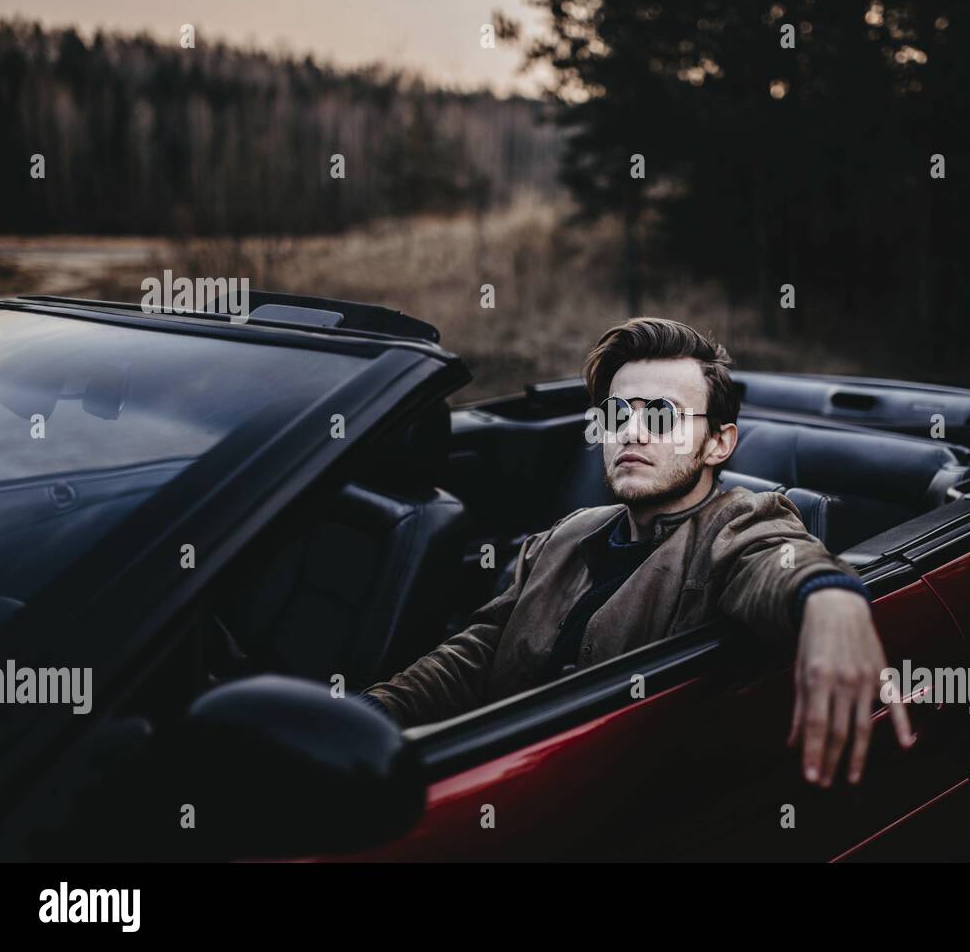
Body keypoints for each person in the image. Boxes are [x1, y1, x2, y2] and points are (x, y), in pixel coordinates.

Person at [362, 317, 912, 787]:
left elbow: (775, 556)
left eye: (662, 416)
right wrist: (371, 714)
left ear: (718, 443)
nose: (632, 430)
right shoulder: (568, 534)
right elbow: (477, 653)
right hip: (505, 787)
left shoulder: (738, 520)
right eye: (617, 413)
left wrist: (830, 598)